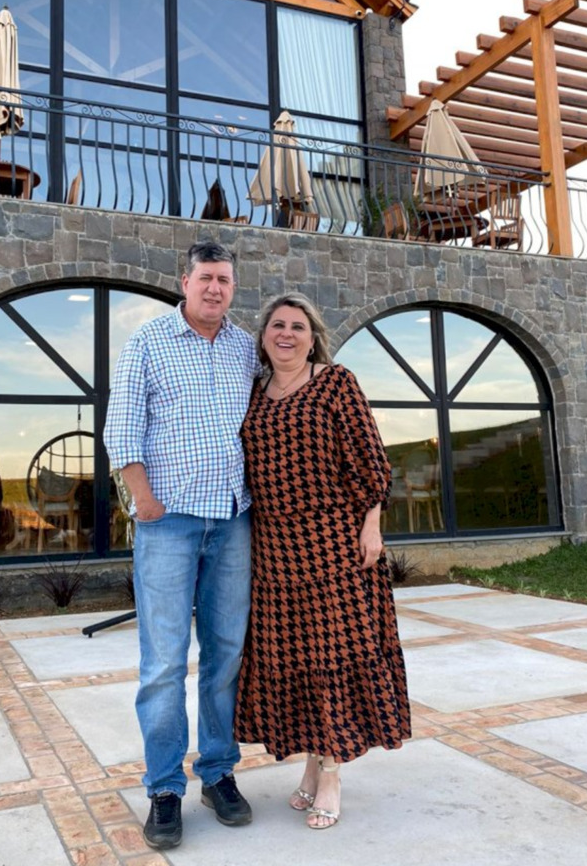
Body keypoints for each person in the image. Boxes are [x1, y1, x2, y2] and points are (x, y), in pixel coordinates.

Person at [104, 240, 260, 851]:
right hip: (168, 522)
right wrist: (143, 500)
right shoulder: (148, 341)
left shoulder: (245, 347)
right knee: (165, 662)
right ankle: (165, 788)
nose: (215, 288)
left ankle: (217, 773)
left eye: (225, 280)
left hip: (233, 521)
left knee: (226, 655)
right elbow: (122, 426)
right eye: (206, 278)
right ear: (185, 281)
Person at [234, 293, 411, 831]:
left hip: (333, 543)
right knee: (298, 660)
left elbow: (372, 462)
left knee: (332, 657)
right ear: (263, 336)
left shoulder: (337, 383)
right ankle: (313, 763)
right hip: (274, 550)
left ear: (313, 338)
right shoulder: (254, 391)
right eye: (277, 325)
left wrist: (372, 524)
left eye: (298, 326)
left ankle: (331, 773)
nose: (286, 334)